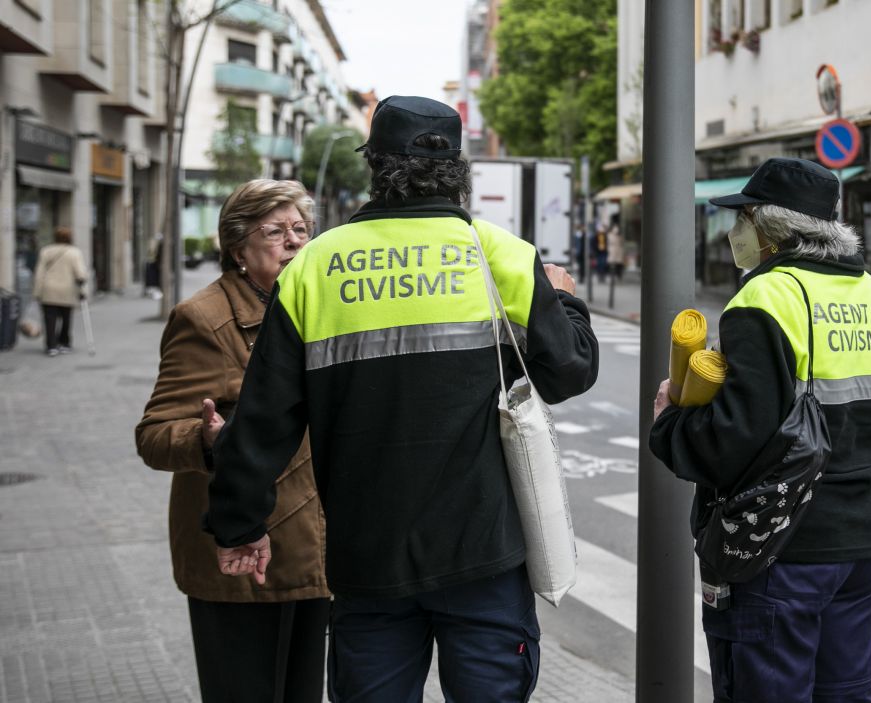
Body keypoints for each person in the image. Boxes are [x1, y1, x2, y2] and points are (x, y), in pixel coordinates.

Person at [204, 96, 599, 702]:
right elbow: (570, 373)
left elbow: (263, 421)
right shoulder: (500, 255)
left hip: (368, 561)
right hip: (483, 558)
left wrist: (239, 525)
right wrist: (564, 299)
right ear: (459, 170)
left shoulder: (314, 268)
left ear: (374, 165)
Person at [649, 157, 871, 702]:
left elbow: (730, 443)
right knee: (848, 693)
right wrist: (865, 490)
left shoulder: (765, 300)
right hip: (862, 548)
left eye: (743, 220)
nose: (736, 232)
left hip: (778, 553)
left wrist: (670, 422)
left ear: (768, 229)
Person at [135, 180, 330, 702]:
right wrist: (211, 442)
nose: (294, 242)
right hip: (244, 550)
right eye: (276, 231)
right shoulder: (205, 319)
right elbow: (154, 436)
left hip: (313, 551)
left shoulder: (315, 309)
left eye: (301, 229)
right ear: (238, 247)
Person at [32, 226, 87, 357]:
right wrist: (83, 288)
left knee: (49, 319)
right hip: (67, 289)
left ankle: (51, 345)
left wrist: (37, 292)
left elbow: (39, 273)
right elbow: (80, 274)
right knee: (66, 318)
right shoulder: (74, 252)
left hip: (48, 289)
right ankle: (64, 342)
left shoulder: (46, 251)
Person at [606, 214, 624, 280]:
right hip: (615, 248)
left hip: (615, 248)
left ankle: (616, 275)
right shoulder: (616, 229)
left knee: (615, 263)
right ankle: (616, 275)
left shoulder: (612, 229)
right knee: (616, 263)